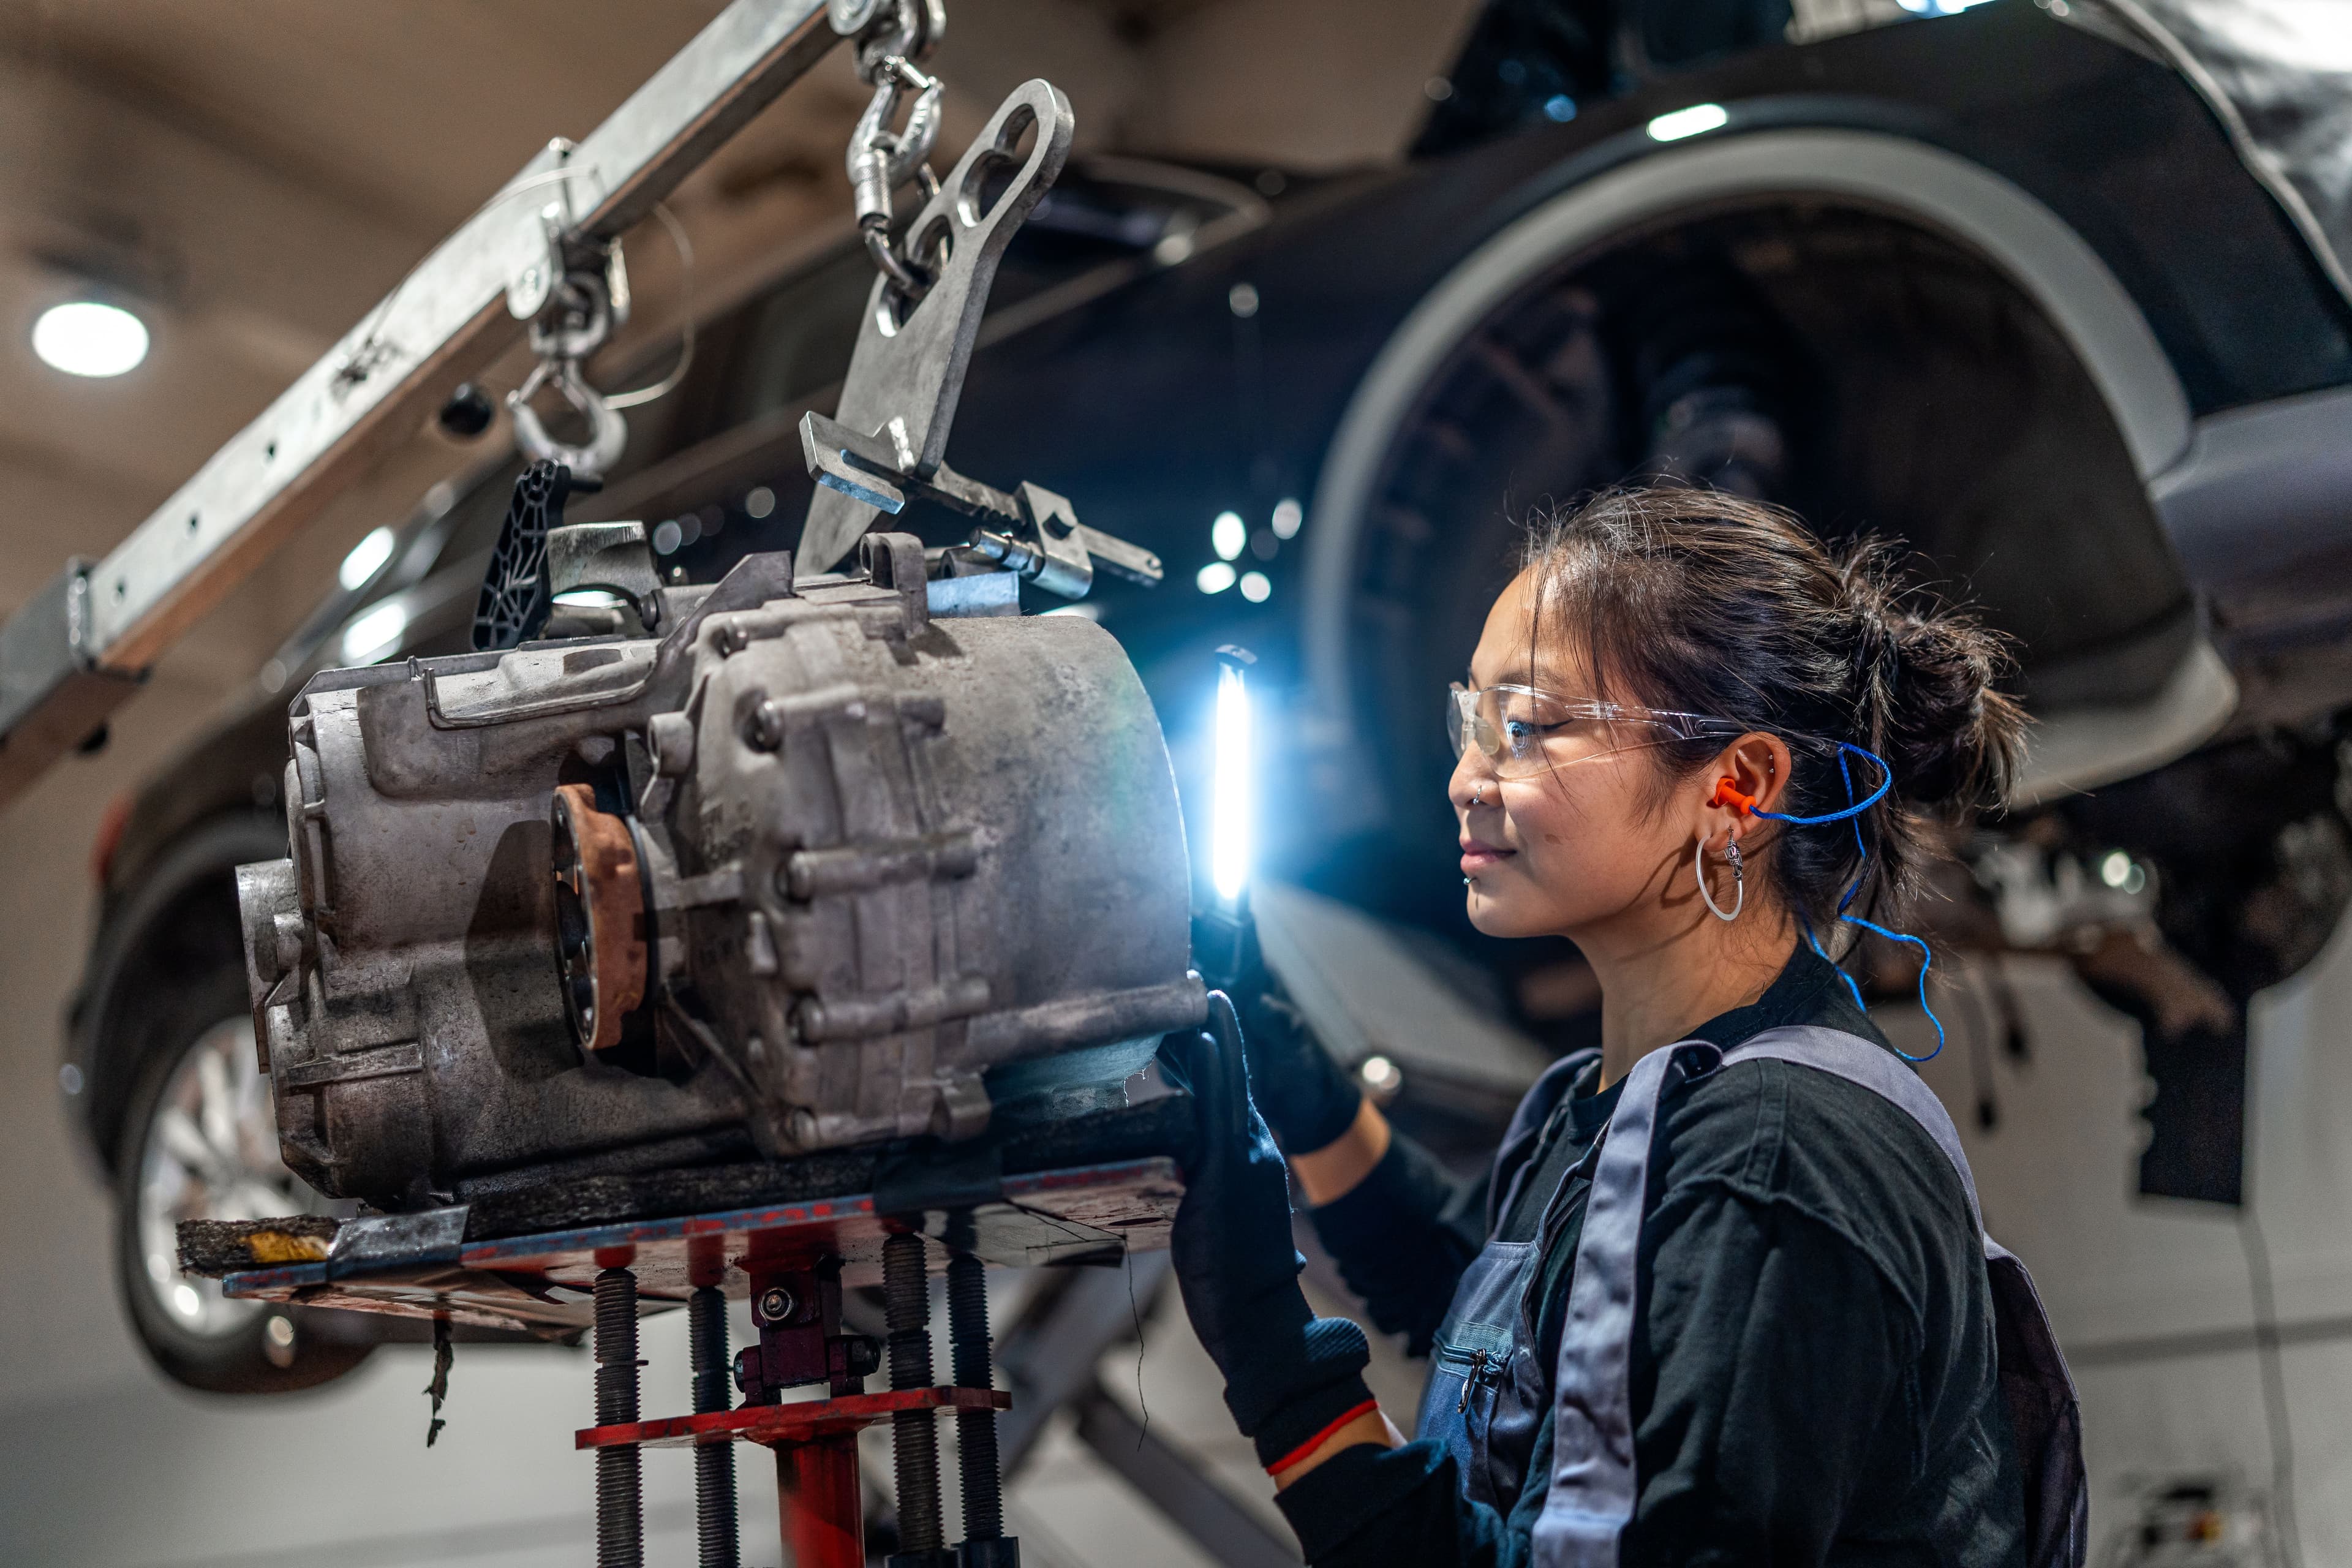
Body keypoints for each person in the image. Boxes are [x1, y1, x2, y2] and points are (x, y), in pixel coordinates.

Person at [1167, 487, 2043, 1566]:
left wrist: (1269, 1345)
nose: (1464, 779)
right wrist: (1300, 1091)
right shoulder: (1610, 1108)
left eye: (1526, 729)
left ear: (1737, 787)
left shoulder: (1771, 1165)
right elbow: (1509, 1344)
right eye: (1470, 721)